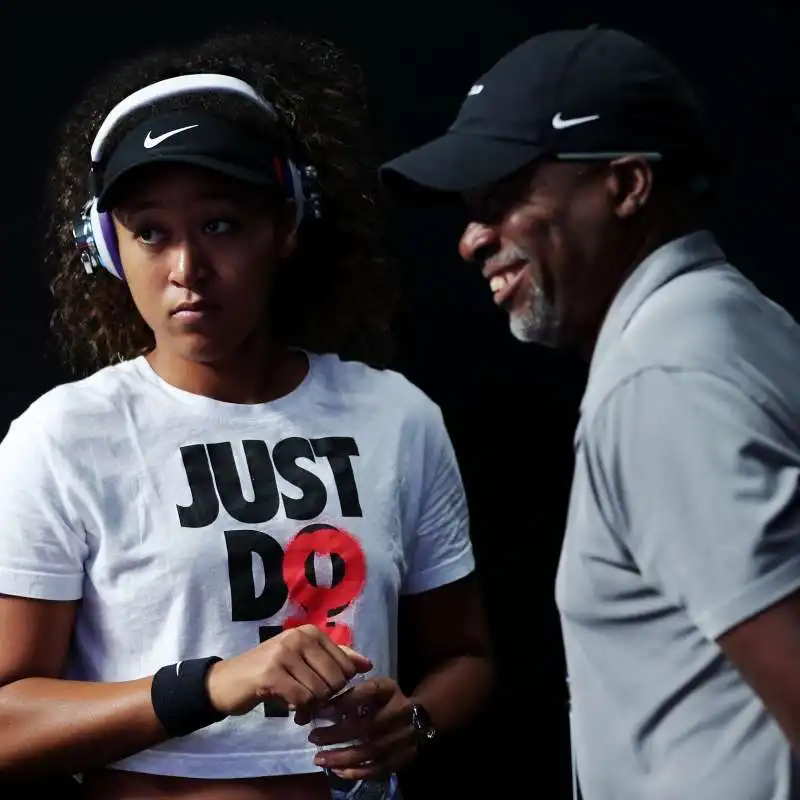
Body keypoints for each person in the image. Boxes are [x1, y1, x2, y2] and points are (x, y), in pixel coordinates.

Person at [0, 23, 494, 800]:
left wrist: (415, 721)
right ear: (104, 246)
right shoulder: (65, 438)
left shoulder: (396, 417)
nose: (187, 269)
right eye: (151, 233)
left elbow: (467, 658)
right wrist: (212, 685)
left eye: (220, 224)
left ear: (287, 225)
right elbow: (6, 722)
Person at [379, 24, 800, 800]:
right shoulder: (743, 323)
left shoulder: (663, 381)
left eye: (503, 195)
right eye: (471, 207)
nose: (473, 239)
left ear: (627, 184)